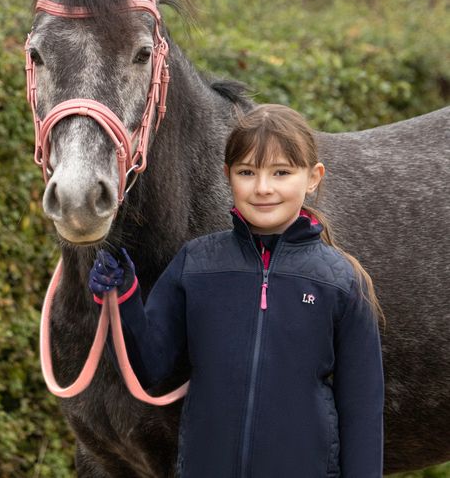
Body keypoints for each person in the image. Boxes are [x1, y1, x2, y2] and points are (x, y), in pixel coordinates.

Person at [89, 104, 384, 478]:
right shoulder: (196, 263)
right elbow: (148, 369)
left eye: (281, 172)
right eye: (247, 172)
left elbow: (362, 410)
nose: (263, 188)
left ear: (313, 178)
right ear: (227, 175)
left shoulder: (341, 281)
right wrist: (123, 297)